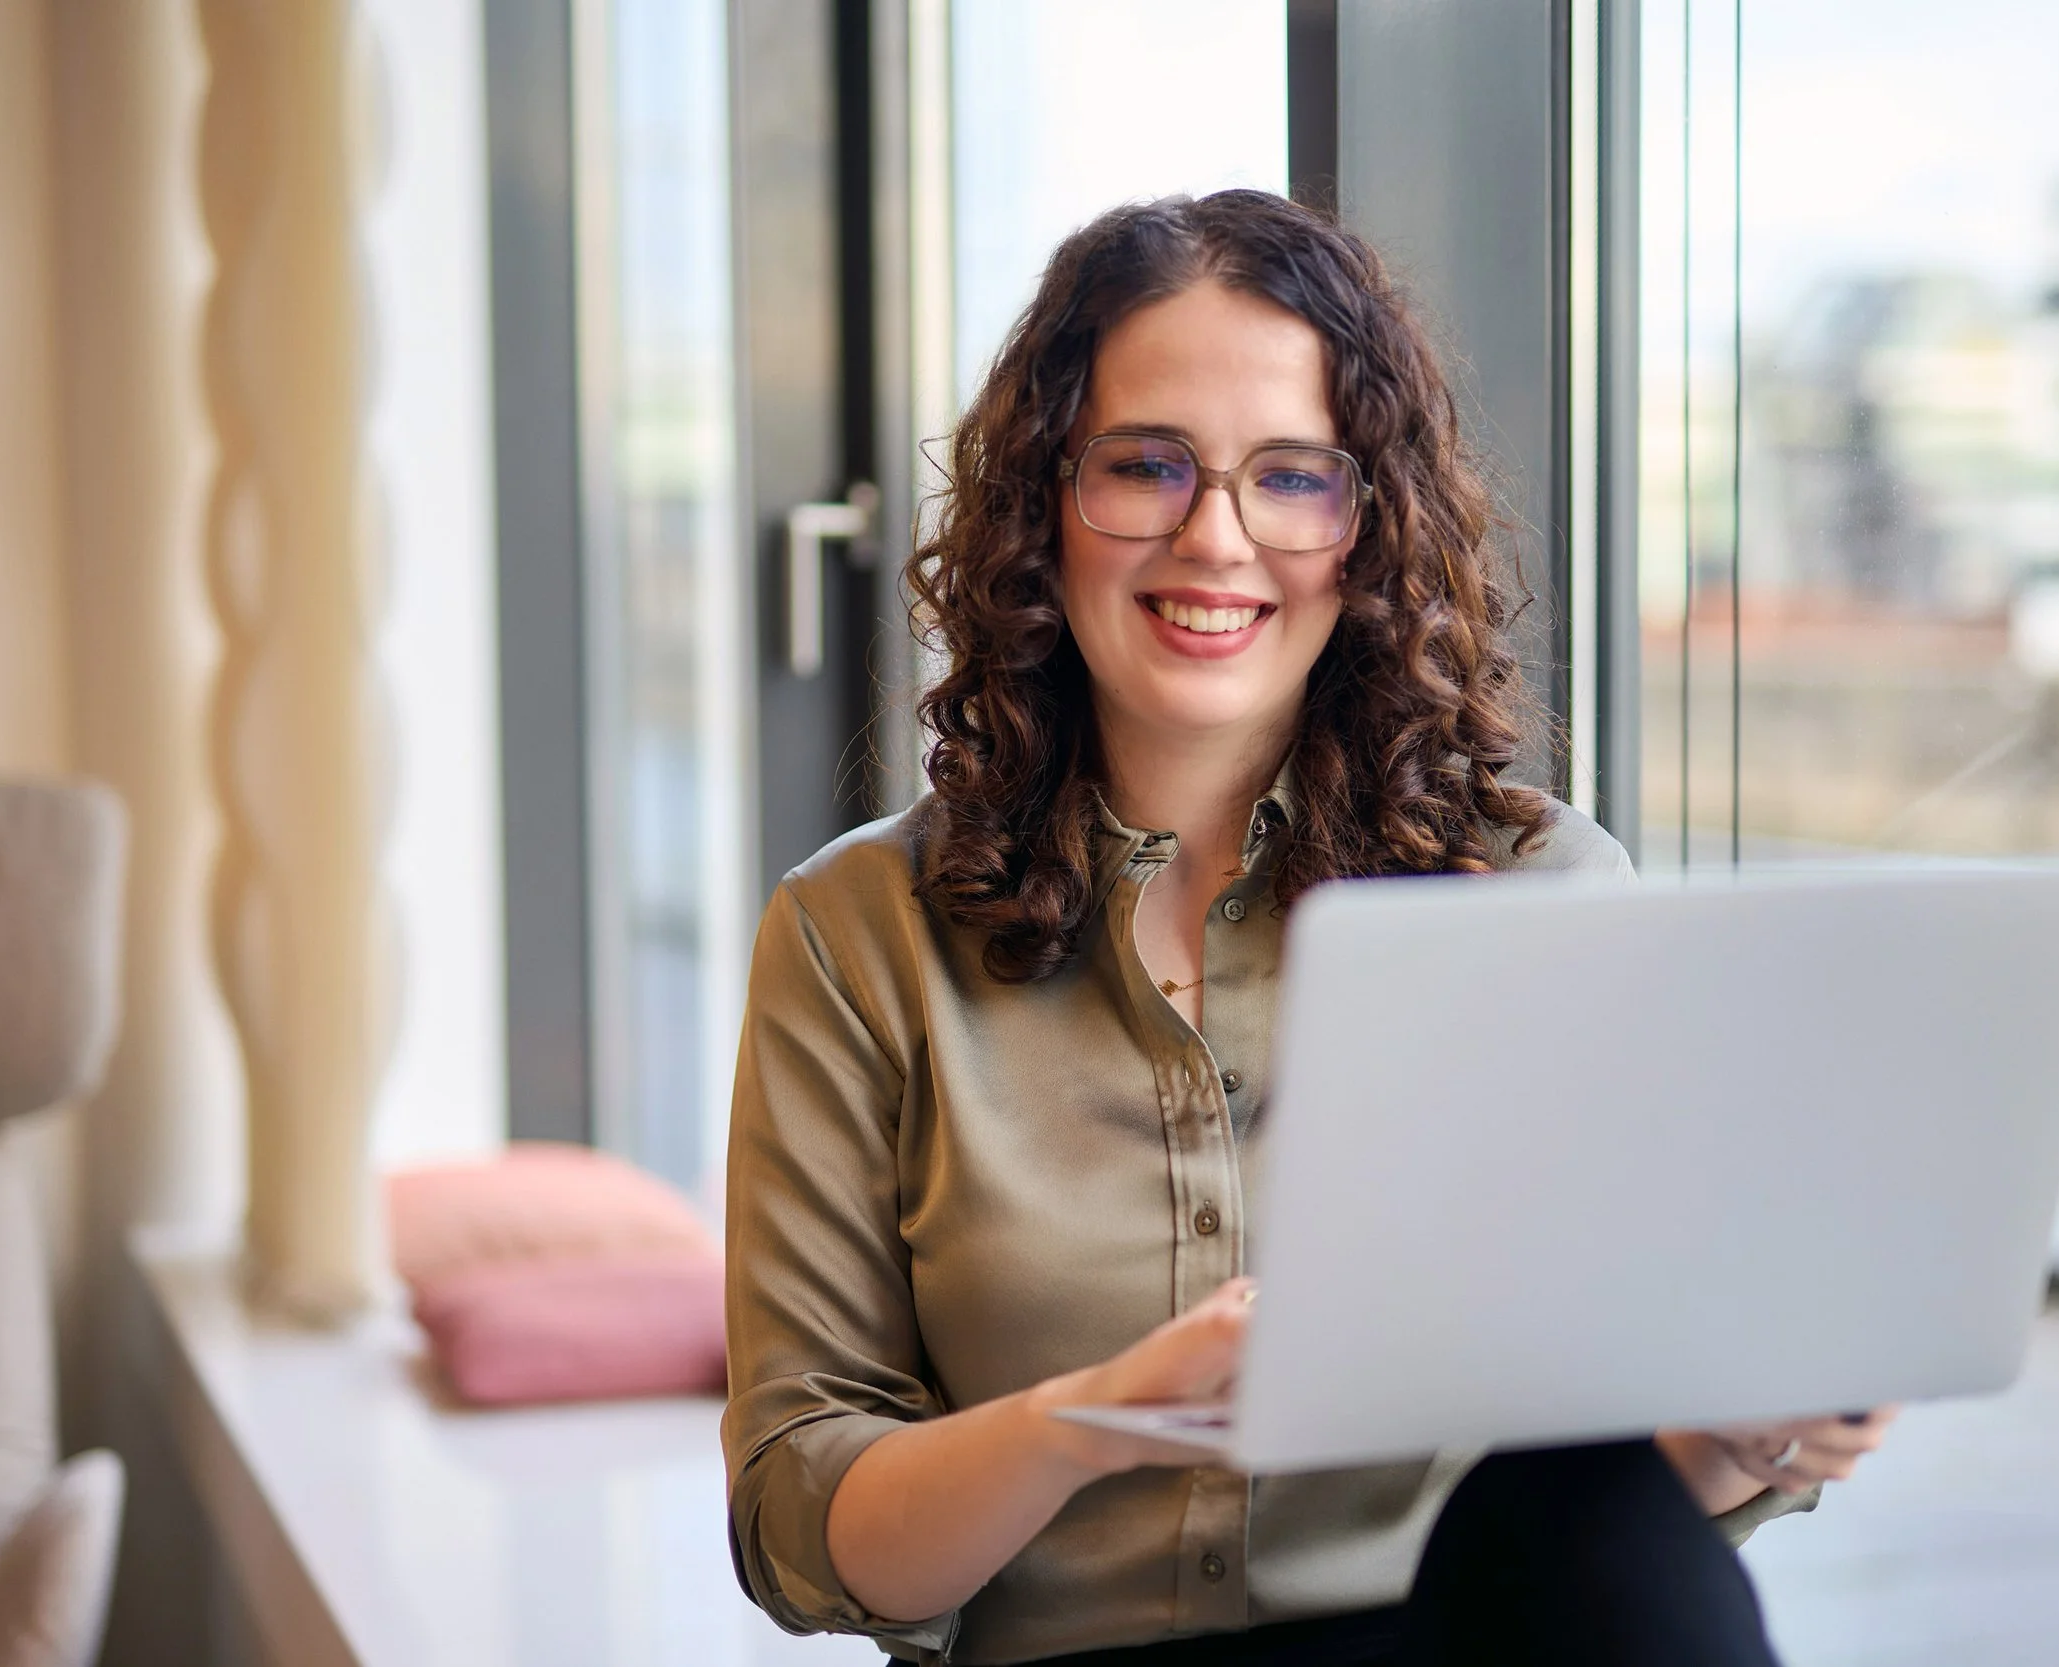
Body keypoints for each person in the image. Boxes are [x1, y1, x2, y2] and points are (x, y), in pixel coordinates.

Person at [722, 190, 1892, 1667]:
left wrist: (1750, 1433)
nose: (1218, 540)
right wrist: (1090, 1420)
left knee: (1617, 1552)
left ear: (1368, 524)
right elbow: (799, 1531)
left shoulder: (1541, 893)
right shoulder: (853, 934)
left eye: (1293, 478)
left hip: (1465, 1638)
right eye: (1147, 466)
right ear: (1040, 505)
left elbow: (1612, 1505)